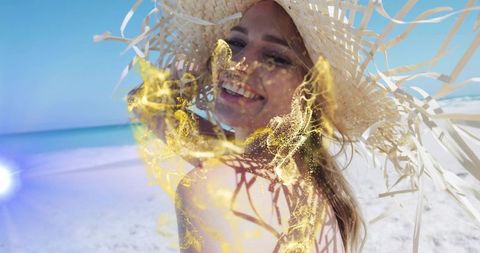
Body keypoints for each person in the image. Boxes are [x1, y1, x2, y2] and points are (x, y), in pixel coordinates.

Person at [98, 0, 480, 252]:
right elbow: (145, 102)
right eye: (234, 43)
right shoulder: (313, 181)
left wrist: (190, 81)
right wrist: (201, 75)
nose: (239, 63)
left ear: (310, 90)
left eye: (276, 58)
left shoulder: (218, 186)